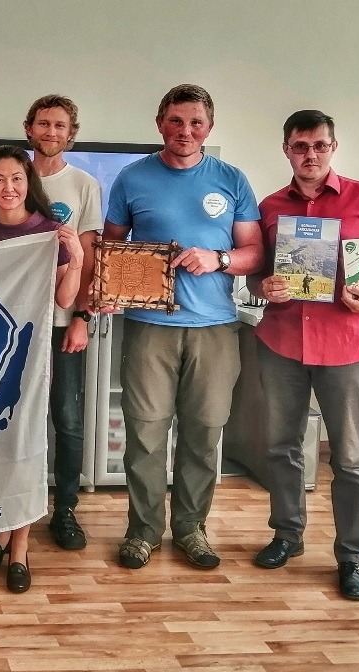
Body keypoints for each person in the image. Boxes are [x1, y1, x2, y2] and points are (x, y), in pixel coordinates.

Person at [247, 110, 359, 601]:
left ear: (333, 148)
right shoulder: (269, 206)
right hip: (282, 342)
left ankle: (352, 557)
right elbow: (255, 273)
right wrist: (262, 287)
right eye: (300, 146)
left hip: (347, 345)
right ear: (287, 150)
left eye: (319, 145)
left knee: (352, 458)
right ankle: (287, 535)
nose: (310, 154)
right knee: (281, 447)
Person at [103, 84, 263, 570]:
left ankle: (191, 528)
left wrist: (218, 259)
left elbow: (254, 254)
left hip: (216, 328)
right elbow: (112, 249)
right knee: (145, 433)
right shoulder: (132, 178)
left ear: (209, 128)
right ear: (160, 124)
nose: (185, 131)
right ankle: (143, 531)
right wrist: (110, 287)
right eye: (176, 120)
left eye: (196, 122)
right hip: (149, 327)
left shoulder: (232, 180)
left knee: (204, 432)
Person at [0, 145, 85, 592]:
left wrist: (77, 257)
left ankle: (20, 546)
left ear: (28, 183)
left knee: (27, 442)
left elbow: (64, 298)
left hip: (33, 353)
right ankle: (2, 530)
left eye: (16, 178)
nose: (8, 187)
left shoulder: (49, 232)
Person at [23, 95, 102, 551]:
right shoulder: (13, 177)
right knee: (17, 418)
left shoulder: (83, 185)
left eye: (59, 125)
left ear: (71, 133)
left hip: (61, 320)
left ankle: (65, 510)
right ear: (29, 128)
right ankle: (15, 509)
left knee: (67, 419)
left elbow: (88, 256)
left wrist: (81, 318)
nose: (50, 132)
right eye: (43, 123)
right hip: (18, 320)